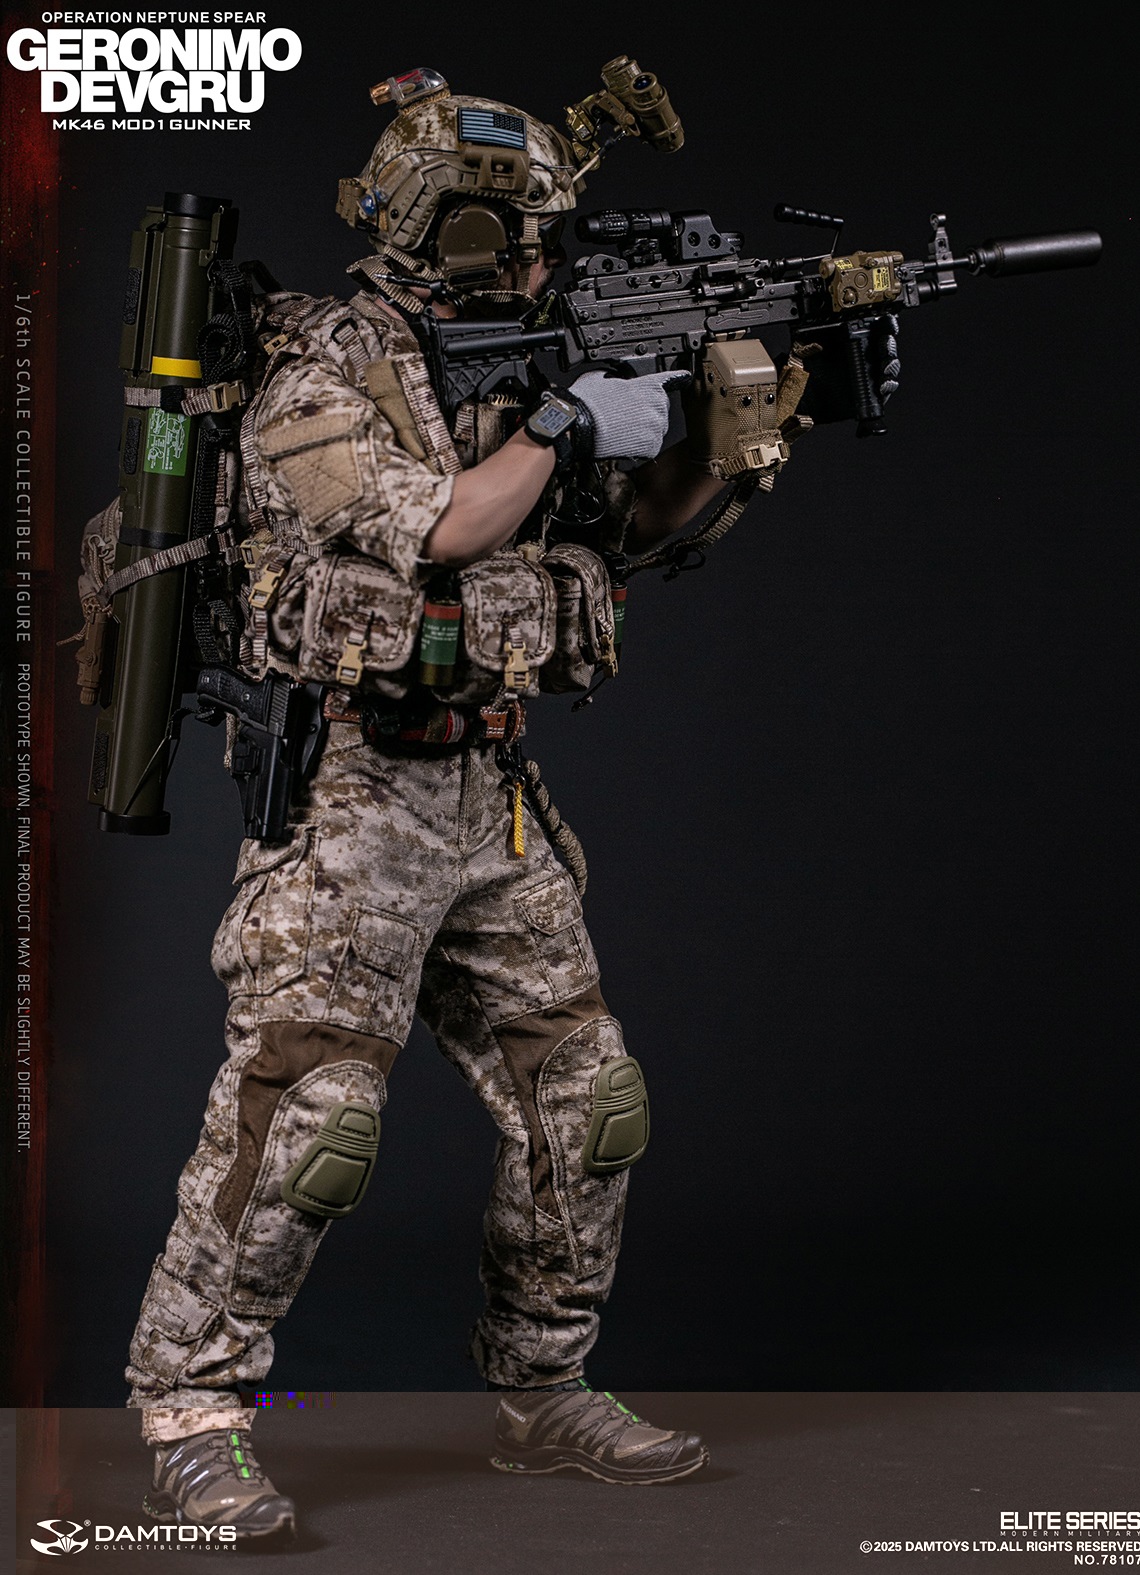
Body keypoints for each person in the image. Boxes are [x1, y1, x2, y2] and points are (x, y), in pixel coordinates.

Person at [121, 62, 799, 1536]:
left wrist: (723, 440)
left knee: (587, 1098)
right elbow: (440, 526)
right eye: (526, 238)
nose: (546, 263)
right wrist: (563, 417)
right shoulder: (318, 372)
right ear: (461, 231)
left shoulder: (506, 362)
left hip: (486, 785)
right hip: (349, 797)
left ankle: (543, 1388)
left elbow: (627, 537)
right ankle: (192, 1404)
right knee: (314, 1113)